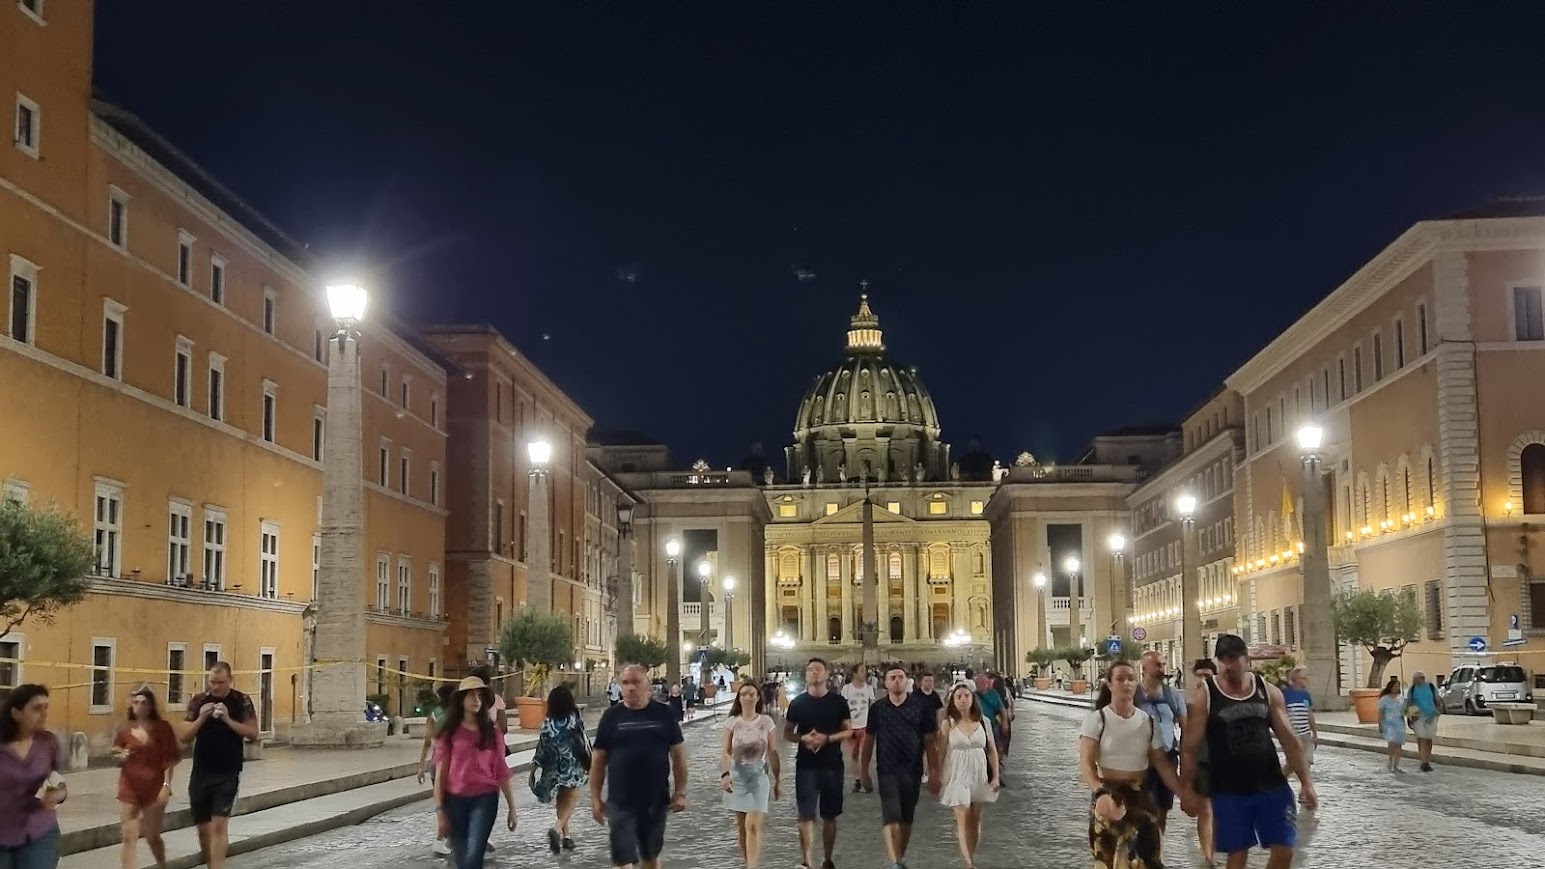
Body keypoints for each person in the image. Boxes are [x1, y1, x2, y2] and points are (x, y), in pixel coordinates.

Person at [1179, 635, 1316, 869]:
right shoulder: (1207, 694)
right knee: (1237, 854)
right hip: (1229, 789)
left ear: (1246, 659)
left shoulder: (1267, 690)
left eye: (1233, 659)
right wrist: (1187, 790)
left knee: (1284, 848)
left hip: (1272, 784)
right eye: (1222, 659)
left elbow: (1290, 741)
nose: (1228, 666)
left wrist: (1306, 783)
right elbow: (1190, 748)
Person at [1080, 661, 1183, 869]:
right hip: (1109, 794)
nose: (1126, 683)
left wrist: (1184, 793)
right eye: (1120, 679)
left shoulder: (1147, 722)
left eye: (1130, 678)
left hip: (1141, 796)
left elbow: (1161, 763)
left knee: (1149, 860)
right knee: (1109, 861)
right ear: (1109, 684)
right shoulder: (1098, 720)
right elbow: (1086, 763)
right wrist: (1099, 792)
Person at [591, 664, 688, 869]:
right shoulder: (611, 717)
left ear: (648, 685)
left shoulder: (664, 714)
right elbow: (599, 760)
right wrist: (595, 798)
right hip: (620, 800)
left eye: (636, 682)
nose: (630, 688)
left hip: (655, 800)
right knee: (622, 859)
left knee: (649, 856)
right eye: (625, 683)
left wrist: (680, 792)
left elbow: (678, 756)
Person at [858, 666, 939, 869]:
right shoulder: (877, 708)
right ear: (885, 683)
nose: (897, 681)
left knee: (906, 817)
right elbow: (868, 740)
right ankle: (894, 862)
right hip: (887, 768)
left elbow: (930, 741)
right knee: (891, 814)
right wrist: (863, 770)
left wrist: (934, 772)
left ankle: (899, 858)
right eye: (892, 677)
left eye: (900, 677)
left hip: (913, 769)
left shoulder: (921, 707)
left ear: (907, 681)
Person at [433, 676, 518, 869]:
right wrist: (440, 811)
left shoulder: (492, 732)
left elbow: (500, 769)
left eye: (480, 696)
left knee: (473, 856)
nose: (476, 700)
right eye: (471, 695)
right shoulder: (449, 733)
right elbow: (440, 776)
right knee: (463, 860)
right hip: (454, 801)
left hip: (485, 798)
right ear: (461, 700)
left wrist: (512, 808)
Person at [182, 662, 259, 869]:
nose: (215, 687)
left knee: (219, 825)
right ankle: (211, 864)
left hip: (228, 772)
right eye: (212, 682)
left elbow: (253, 734)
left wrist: (227, 719)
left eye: (220, 682)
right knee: (204, 830)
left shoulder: (241, 701)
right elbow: (183, 737)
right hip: (201, 772)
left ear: (230, 680)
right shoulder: (198, 701)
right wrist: (201, 718)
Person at [783, 657, 852, 869]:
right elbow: (787, 733)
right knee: (805, 815)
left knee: (829, 816)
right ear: (806, 674)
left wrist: (827, 738)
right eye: (810, 669)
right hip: (806, 766)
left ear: (826, 674)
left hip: (832, 765)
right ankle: (806, 861)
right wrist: (803, 738)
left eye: (818, 669)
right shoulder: (797, 703)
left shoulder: (838, 702)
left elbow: (848, 730)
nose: (814, 673)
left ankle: (827, 859)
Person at [114, 685, 180, 869]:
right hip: (129, 786)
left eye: (144, 702)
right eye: (136, 702)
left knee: (152, 835)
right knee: (128, 836)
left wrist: (166, 785)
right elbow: (117, 751)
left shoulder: (162, 728)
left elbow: (170, 758)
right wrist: (120, 756)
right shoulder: (124, 728)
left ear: (151, 706)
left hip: (154, 786)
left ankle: (162, 864)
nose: (139, 706)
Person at [0, 684, 66, 868]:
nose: (44, 714)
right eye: (37, 708)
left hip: (39, 831)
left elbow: (58, 781)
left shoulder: (48, 742)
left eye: (46, 708)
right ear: (16, 713)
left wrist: (57, 795)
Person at [938, 682, 998, 869]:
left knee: (975, 819)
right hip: (957, 774)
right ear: (953, 701)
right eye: (959, 697)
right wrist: (937, 775)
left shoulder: (983, 722)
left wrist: (995, 776)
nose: (963, 700)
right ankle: (968, 862)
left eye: (966, 696)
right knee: (962, 815)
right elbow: (940, 751)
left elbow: (992, 751)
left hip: (978, 773)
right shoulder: (948, 724)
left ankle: (970, 855)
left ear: (973, 699)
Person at [721, 681, 781, 869]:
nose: (748, 697)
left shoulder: (766, 722)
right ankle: (749, 862)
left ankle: (752, 867)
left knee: (752, 825)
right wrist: (724, 774)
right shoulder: (732, 723)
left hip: (758, 776)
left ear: (758, 697)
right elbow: (725, 751)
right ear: (739, 698)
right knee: (741, 828)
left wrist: (779, 780)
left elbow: (772, 751)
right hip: (737, 776)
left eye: (751, 694)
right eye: (744, 694)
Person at [532, 684, 588, 854]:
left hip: (553, 767)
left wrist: (534, 766)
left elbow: (542, 746)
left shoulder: (547, 723)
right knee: (572, 800)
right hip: (572, 765)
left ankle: (567, 836)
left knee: (561, 801)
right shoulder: (574, 719)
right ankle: (557, 828)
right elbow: (582, 742)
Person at [1134, 651, 1186, 832]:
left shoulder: (1172, 695)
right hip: (1141, 759)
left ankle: (1157, 849)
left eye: (1163, 664)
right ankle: (1140, 849)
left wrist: (1187, 759)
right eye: (1157, 665)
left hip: (1168, 756)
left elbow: (1184, 725)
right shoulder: (1134, 695)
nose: (1162, 668)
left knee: (1162, 807)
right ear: (1144, 668)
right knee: (1142, 806)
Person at [417, 682, 456, 856]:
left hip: (435, 763)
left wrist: (421, 767)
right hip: (453, 764)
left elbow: (427, 742)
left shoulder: (433, 714)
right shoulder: (457, 715)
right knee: (455, 802)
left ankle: (449, 838)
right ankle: (441, 839)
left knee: (445, 802)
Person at [1190, 659, 1218, 867]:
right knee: (1205, 809)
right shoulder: (1190, 706)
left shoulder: (1224, 702)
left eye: (1206, 675)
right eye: (1198, 675)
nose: (1202, 679)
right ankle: (1208, 855)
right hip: (1201, 762)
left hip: (1224, 763)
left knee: (1222, 809)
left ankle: (1214, 849)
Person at [1278, 667, 1318, 793]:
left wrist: (1315, 732)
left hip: (1305, 733)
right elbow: (1281, 713)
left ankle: (1306, 788)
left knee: (1307, 760)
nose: (1307, 680)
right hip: (1293, 735)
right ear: (1295, 679)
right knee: (1292, 763)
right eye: (1304, 677)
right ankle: (1279, 780)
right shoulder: (1285, 694)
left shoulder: (1306, 695)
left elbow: (1309, 714)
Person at [840, 663, 875, 793]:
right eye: (862, 671)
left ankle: (865, 777)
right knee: (854, 755)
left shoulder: (869, 689)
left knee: (864, 754)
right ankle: (857, 779)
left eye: (865, 670)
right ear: (855, 673)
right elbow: (842, 709)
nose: (864, 673)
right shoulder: (847, 689)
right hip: (851, 727)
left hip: (865, 726)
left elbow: (872, 707)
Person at [1407, 671, 1441, 772]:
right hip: (1418, 716)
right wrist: (1410, 716)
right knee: (1421, 738)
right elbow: (1409, 702)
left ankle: (1427, 759)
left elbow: (1437, 700)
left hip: (1431, 715)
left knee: (1428, 738)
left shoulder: (1430, 687)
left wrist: (1438, 710)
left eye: (1419, 678)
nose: (1417, 680)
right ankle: (1423, 761)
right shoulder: (1412, 690)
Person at [1377, 677, 1407, 773]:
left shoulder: (1401, 699)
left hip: (1399, 723)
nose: (1396, 688)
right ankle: (1390, 761)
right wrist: (1380, 724)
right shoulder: (1384, 699)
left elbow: (1403, 711)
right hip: (1388, 723)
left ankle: (1396, 765)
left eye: (1398, 686)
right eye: (1395, 686)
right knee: (1392, 742)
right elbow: (1381, 712)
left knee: (1398, 744)